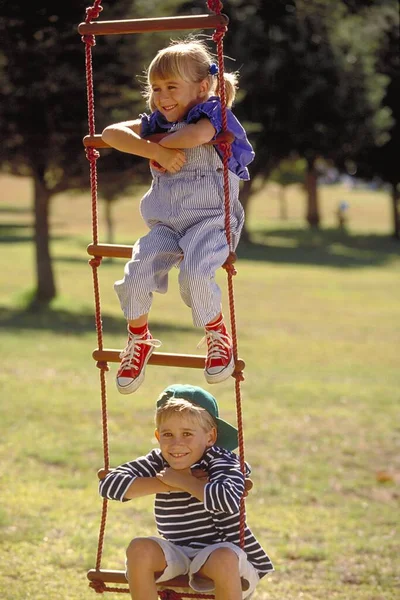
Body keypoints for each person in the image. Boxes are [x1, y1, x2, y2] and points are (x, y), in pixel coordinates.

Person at [101, 38, 254, 395]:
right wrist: (151, 148)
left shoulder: (214, 112)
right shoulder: (157, 122)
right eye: (155, 88)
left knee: (195, 274)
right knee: (136, 273)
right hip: (167, 224)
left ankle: (217, 334)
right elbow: (110, 134)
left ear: (203, 88)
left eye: (172, 87)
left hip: (212, 221)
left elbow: (196, 136)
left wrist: (156, 145)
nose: (162, 96)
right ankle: (138, 339)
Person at [99, 384, 274, 600]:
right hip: (178, 551)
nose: (176, 444)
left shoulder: (223, 461)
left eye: (187, 433)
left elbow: (228, 499)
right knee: (139, 549)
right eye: (168, 434)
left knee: (223, 558)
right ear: (157, 435)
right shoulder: (159, 460)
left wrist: (188, 483)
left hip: (224, 554)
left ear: (210, 437)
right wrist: (170, 483)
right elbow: (109, 485)